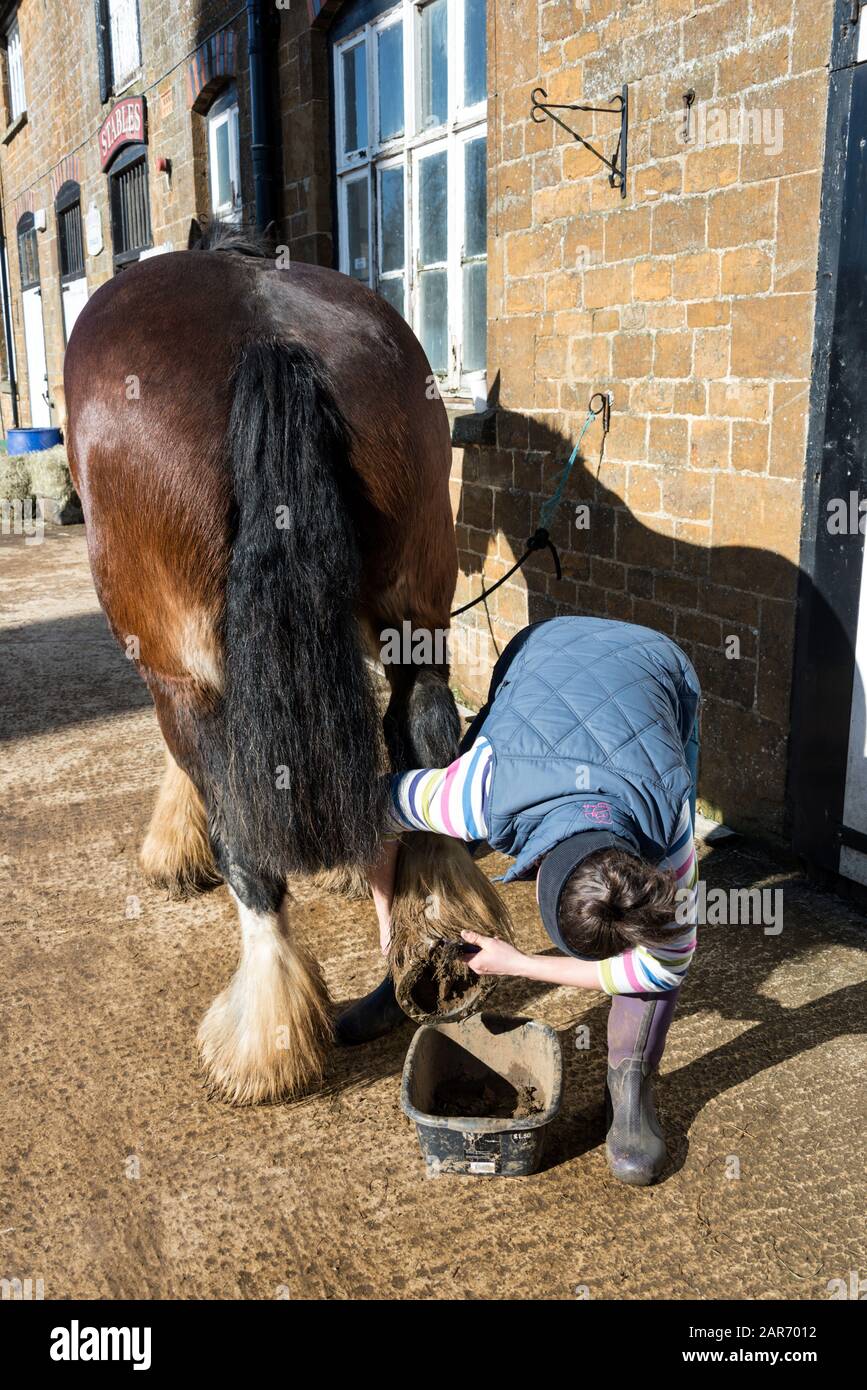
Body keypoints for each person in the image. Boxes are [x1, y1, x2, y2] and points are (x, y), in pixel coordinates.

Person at [338, 616, 700, 1186]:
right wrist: (387, 917)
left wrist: (520, 963)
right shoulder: (473, 795)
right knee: (448, 814)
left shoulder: (669, 815)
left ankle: (630, 1087)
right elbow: (371, 809)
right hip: (542, 646)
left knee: (654, 969)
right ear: (532, 872)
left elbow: (663, 968)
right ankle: (402, 976)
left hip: (659, 665)